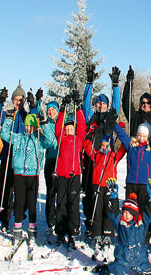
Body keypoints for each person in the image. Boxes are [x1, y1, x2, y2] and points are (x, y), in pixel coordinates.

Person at [0, 92, 57, 244]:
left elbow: (51, 141)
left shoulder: (39, 140)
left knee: (31, 202)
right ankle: (17, 227)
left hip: (32, 175)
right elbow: (5, 135)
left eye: (32, 125)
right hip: (18, 173)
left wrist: (44, 123)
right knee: (19, 202)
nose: (29, 128)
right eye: (27, 125)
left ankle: (32, 227)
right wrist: (8, 117)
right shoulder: (19, 137)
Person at [113, 118, 151, 249]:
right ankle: (128, 236)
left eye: (144, 135)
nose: (141, 137)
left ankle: (144, 238)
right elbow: (122, 135)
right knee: (129, 210)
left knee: (143, 212)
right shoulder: (131, 147)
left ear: (147, 137)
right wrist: (114, 124)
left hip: (145, 185)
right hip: (131, 183)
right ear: (137, 135)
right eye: (139, 135)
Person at [93, 193, 151, 275]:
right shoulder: (121, 223)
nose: (127, 215)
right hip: (123, 259)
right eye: (125, 212)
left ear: (134, 213)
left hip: (140, 258)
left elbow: (149, 213)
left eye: (130, 213)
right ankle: (104, 269)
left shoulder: (141, 222)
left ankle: (143, 269)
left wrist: (150, 198)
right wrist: (113, 198)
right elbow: (113, 213)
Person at [83, 129, 126, 254]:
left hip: (109, 186)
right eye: (102, 145)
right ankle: (97, 234)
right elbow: (86, 144)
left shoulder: (113, 157)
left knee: (108, 211)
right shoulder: (96, 155)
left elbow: (124, 148)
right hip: (97, 186)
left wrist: (121, 132)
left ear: (111, 146)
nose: (104, 147)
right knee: (97, 210)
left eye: (106, 146)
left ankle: (107, 233)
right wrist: (90, 133)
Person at [53, 93, 87, 246]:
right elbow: (57, 126)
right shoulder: (61, 138)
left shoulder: (78, 139)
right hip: (61, 175)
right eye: (67, 128)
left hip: (74, 175)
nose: (68, 131)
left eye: (70, 128)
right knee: (61, 204)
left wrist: (78, 108)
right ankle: (60, 231)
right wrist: (62, 110)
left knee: (73, 205)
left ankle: (73, 231)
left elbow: (82, 125)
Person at [41, 101, 60, 243]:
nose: (51, 112)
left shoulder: (62, 122)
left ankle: (60, 219)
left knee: (61, 192)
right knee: (51, 192)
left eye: (53, 110)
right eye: (49, 110)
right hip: (50, 161)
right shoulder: (45, 124)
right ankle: (50, 221)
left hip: (61, 161)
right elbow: (47, 142)